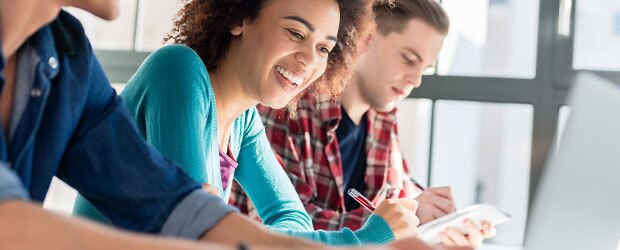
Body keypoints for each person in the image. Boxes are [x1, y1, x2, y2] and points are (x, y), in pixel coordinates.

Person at [0, 0, 449, 249]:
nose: (310, 61)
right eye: (295, 33)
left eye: (324, 48)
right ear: (239, 18)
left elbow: (192, 214)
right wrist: (363, 243)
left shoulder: (67, 58)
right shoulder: (179, 72)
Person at [229, 0, 496, 247]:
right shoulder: (284, 102)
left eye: (424, 68)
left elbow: (401, 194)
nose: (416, 80)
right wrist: (387, 227)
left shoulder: (383, 117)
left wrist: (441, 224)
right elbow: (280, 230)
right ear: (365, 38)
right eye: (409, 59)